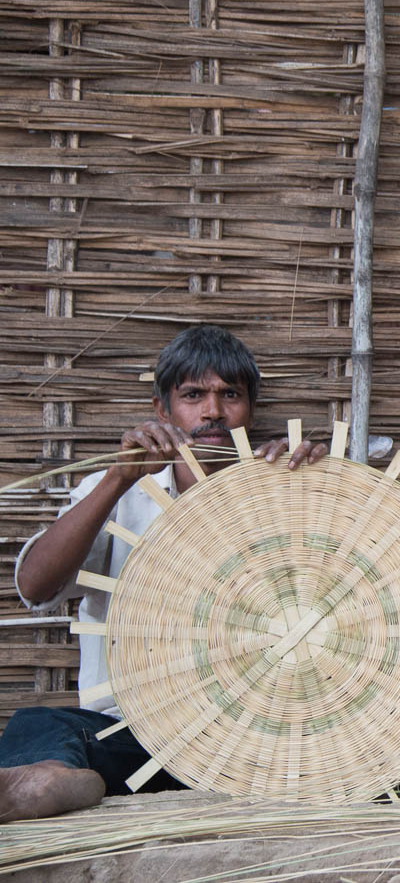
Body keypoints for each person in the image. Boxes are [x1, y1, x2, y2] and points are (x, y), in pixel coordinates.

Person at [0, 325, 327, 822]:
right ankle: (43, 781)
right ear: (163, 409)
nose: (213, 411)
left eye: (230, 395)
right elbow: (35, 587)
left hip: (254, 738)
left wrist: (327, 487)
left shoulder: (286, 487)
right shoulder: (118, 490)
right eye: (193, 395)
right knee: (40, 724)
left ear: (251, 409)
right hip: (136, 737)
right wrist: (116, 478)